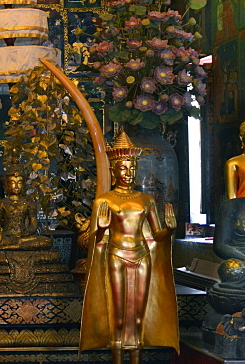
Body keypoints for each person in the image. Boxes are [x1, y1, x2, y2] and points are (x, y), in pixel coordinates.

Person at [80, 131, 179, 364]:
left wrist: (170, 230)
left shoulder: (146, 200)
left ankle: (136, 360)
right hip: (116, 255)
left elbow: (157, 235)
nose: (128, 173)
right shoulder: (104, 201)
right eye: (123, 168)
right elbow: (87, 240)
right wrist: (102, 229)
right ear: (113, 170)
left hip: (142, 255)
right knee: (118, 313)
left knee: (138, 316)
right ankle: (117, 360)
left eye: (132, 168)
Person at [0, 167, 53, 249]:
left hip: (24, 237)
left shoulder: (28, 203)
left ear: (23, 185)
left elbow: (34, 225)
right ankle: (16, 245)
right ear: (7, 185)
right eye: (13, 183)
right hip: (8, 237)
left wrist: (26, 233)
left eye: (19, 183)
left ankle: (12, 246)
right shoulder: (1, 203)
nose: (16, 186)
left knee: (45, 241)